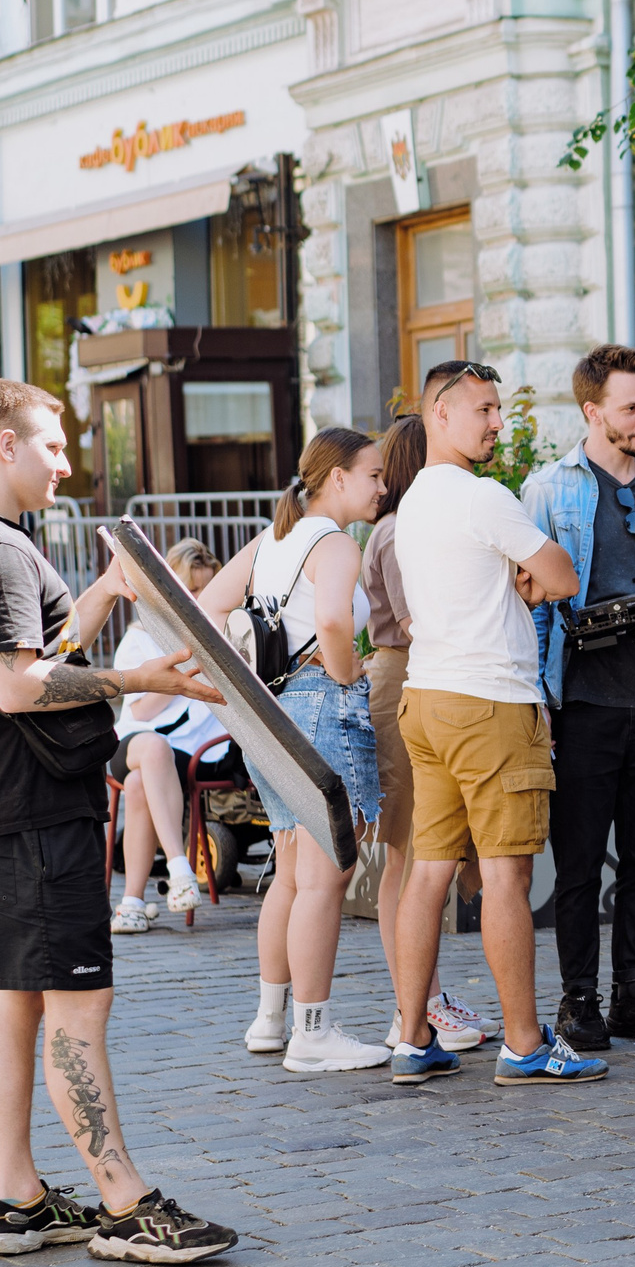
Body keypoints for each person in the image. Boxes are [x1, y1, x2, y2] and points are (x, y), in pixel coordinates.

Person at [0, 377, 237, 1262]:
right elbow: (16, 684)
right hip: (30, 810)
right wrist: (140, 678)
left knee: (14, 994)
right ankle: (124, 1203)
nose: (67, 463)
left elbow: (40, 652)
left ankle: (21, 1201)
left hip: (0, 805)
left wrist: (102, 590)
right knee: (77, 1000)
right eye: (53, 445)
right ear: (6, 445)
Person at [385, 359, 597, 1088]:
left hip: (428, 697)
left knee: (428, 872)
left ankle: (413, 1038)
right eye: (483, 409)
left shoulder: (414, 500)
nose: (497, 423)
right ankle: (524, 1044)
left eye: (499, 409)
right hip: (492, 702)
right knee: (507, 875)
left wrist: (517, 580)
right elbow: (563, 576)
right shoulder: (483, 496)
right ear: (439, 414)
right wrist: (529, 575)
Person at [197, 428, 392, 1072]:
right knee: (325, 876)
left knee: (290, 869)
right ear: (337, 477)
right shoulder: (334, 543)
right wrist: (347, 673)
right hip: (321, 705)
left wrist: (245, 682)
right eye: (373, 475)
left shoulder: (271, 540)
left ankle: (271, 1017)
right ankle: (313, 1032)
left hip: (271, 713)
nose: (382, 486)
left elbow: (207, 608)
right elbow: (333, 621)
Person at [523, 343, 635, 1053]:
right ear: (593, 412)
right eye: (631, 407)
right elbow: (530, 605)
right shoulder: (548, 489)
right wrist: (540, 699)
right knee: (580, 864)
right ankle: (579, 1001)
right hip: (582, 700)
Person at [363, 413, 489, 1055]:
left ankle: (423, 1001)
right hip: (408, 677)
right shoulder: (397, 530)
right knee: (411, 853)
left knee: (418, 851)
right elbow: (417, 620)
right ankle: (415, 1007)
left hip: (416, 676)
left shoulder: (403, 525)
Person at [107, 538, 236, 933]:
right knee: (152, 750)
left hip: (197, 749)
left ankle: (131, 904)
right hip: (137, 740)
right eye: (192, 589)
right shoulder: (140, 636)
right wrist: (180, 670)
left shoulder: (222, 634)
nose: (199, 599)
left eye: (206, 588)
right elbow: (141, 710)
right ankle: (179, 868)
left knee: (139, 784)